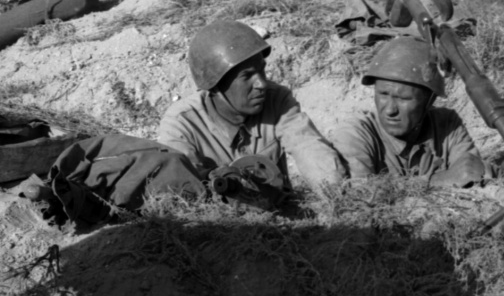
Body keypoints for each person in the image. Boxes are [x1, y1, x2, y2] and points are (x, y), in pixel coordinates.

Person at [158, 20, 346, 194]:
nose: (261, 84)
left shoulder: (277, 100)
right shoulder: (182, 123)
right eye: (247, 76)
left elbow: (308, 147)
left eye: (262, 70)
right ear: (216, 85)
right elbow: (180, 185)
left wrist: (334, 194)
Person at [330, 36, 485, 187]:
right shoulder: (355, 134)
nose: (390, 110)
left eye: (403, 98)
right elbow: (359, 198)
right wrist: (436, 181)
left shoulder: (447, 125)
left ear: (429, 101)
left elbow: (472, 175)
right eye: (383, 94)